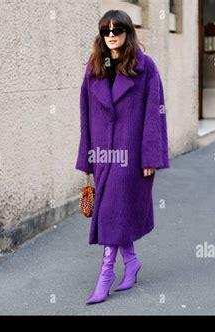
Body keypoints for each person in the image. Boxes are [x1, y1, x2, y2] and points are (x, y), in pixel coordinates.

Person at [76, 10, 170, 305]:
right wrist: (87, 158)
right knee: (117, 213)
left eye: (117, 29)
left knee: (113, 211)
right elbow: (86, 116)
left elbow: (155, 115)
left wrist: (151, 157)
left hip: (133, 156)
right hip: (104, 154)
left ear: (128, 32)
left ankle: (106, 274)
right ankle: (131, 262)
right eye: (106, 30)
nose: (112, 35)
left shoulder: (146, 68)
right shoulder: (95, 67)